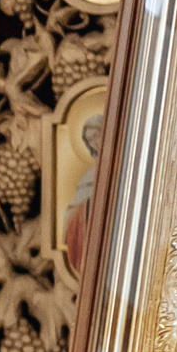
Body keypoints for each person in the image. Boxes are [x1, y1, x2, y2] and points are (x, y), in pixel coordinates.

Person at [61, 108, 103, 275]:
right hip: (93, 232)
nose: (95, 142)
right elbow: (73, 209)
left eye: (97, 136)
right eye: (90, 139)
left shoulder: (129, 165)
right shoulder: (90, 175)